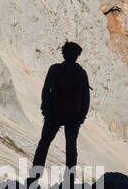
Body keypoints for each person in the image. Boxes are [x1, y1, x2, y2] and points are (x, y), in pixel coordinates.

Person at [31, 41, 90, 180]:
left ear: (63, 54)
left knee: (44, 144)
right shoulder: (81, 73)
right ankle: (69, 181)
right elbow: (85, 97)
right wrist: (82, 116)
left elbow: (46, 90)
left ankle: (34, 178)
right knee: (71, 149)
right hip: (73, 116)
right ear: (77, 56)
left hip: (54, 113)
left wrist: (45, 108)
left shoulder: (55, 69)